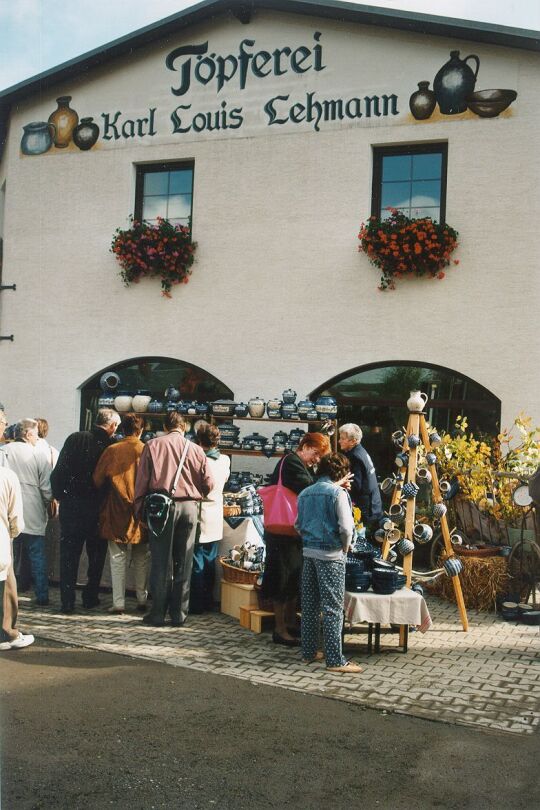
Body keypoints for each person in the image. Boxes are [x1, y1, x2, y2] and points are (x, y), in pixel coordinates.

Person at [134, 411, 214, 627]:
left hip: (162, 508)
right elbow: (209, 483)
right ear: (184, 427)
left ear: (165, 427)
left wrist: (139, 510)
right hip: (189, 507)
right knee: (184, 561)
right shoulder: (196, 449)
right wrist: (196, 493)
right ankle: (179, 614)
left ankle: (157, 613)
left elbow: (142, 481)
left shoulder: (152, 445)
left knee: (161, 561)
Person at [261, 432, 331, 646]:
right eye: (315, 453)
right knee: (282, 579)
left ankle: (290, 623)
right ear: (305, 446)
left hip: (291, 533)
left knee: (293, 577)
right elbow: (309, 487)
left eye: (319, 456)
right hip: (281, 534)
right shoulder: (291, 462)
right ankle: (280, 629)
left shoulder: (298, 463)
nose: (316, 459)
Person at [296, 452, 363, 673]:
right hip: (331, 555)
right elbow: (346, 528)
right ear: (341, 473)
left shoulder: (305, 493)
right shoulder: (338, 494)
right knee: (333, 608)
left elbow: (297, 524)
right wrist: (346, 546)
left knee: (309, 606)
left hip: (309, 553)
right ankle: (335, 660)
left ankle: (309, 652)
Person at [51, 407, 121, 614]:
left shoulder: (75, 438)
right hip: (98, 509)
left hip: (72, 506)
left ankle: (67, 601)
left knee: (69, 556)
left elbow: (58, 474)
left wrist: (61, 496)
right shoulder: (111, 446)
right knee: (96, 557)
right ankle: (90, 596)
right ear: (112, 426)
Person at [93, 413, 150, 614]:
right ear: (140, 431)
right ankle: (142, 598)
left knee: (117, 558)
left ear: (122, 429)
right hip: (141, 511)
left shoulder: (112, 450)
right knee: (142, 557)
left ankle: (118, 602)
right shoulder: (147, 450)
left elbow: (97, 480)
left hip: (116, 509)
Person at [1, 419, 53, 606]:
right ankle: (42, 595)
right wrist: (47, 503)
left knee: (10, 555)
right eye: (36, 434)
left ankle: (8, 595)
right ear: (28, 434)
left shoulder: (4, 451)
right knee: (36, 554)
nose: (38, 438)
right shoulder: (38, 454)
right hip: (33, 508)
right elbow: (46, 488)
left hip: (8, 508)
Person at [0, 417, 34, 651]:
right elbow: (16, 521)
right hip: (2, 540)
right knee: (6, 586)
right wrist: (11, 534)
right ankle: (7, 634)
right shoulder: (6, 476)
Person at [190, 423, 230, 614]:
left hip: (200, 512)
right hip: (215, 513)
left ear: (199, 440)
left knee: (197, 560)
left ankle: (197, 604)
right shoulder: (225, 460)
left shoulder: (198, 460)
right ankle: (208, 601)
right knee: (210, 559)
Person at [338, 423, 383, 535]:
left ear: (353, 441)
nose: (339, 441)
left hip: (366, 510)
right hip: (373, 505)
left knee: (361, 540)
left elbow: (355, 485)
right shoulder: (360, 451)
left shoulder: (354, 456)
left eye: (342, 438)